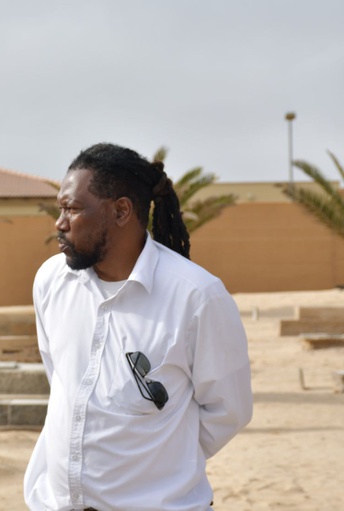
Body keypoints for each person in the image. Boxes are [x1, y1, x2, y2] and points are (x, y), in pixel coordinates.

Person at [23, 143, 253, 511]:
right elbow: (63, 380)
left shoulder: (196, 296)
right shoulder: (51, 281)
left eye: (73, 209)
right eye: (59, 208)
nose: (59, 223)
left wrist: (159, 461)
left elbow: (230, 411)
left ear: (121, 210)